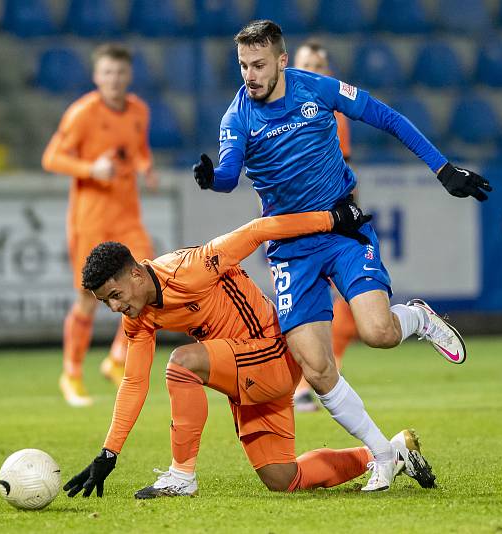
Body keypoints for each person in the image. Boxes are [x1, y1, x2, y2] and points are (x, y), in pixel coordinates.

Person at [192, 20, 491, 491]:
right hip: (290, 247)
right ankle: (382, 453)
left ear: (282, 61)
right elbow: (230, 173)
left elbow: (387, 116)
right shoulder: (237, 117)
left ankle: (417, 318)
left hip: (343, 229)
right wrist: (213, 178)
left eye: (259, 65)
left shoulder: (319, 89)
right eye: (244, 66)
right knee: (315, 366)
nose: (250, 75)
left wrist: (443, 168)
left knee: (378, 332)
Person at [62, 199, 436, 499]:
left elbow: (259, 230)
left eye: (115, 295)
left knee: (182, 363)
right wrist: (107, 454)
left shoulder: (189, 268)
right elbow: (133, 382)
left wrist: (330, 219)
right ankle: (386, 453)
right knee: (283, 477)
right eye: (104, 302)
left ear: (136, 274)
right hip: (245, 373)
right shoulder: (139, 316)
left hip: (272, 352)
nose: (114, 307)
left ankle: (181, 476)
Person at [42, 43, 157, 407]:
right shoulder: (82, 114)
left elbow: (138, 148)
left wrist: (144, 166)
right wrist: (92, 169)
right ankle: (71, 374)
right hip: (90, 219)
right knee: (86, 299)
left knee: (150, 279)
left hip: (127, 216)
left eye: (120, 72)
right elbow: (52, 158)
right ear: (96, 76)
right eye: (107, 72)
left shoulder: (139, 110)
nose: (114, 79)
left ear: (129, 75)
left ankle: (117, 358)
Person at [291, 38, 357, 413]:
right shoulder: (276, 113)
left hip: (332, 224)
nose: (313, 73)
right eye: (306, 65)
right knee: (301, 313)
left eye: (319, 66)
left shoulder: (336, 116)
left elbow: (346, 171)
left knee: (348, 305)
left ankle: (311, 384)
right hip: (295, 228)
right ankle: (294, 388)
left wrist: (353, 218)